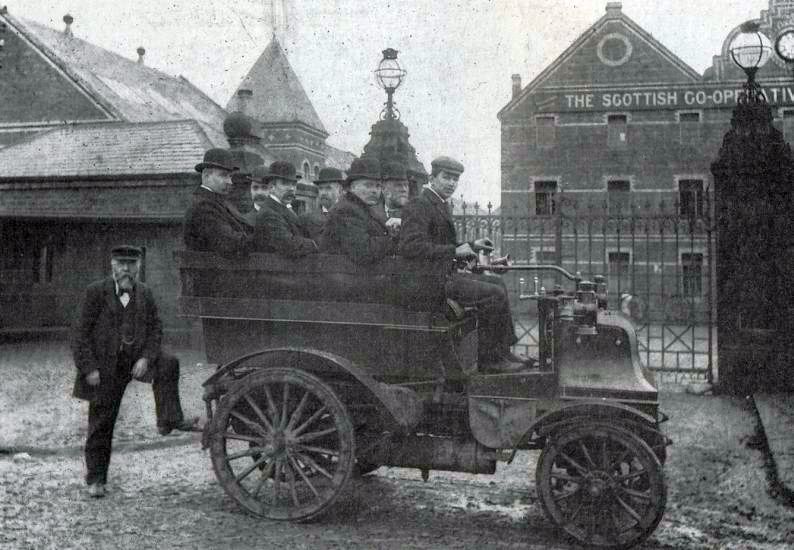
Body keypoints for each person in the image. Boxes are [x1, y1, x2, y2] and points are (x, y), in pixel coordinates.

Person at [72, 245, 199, 499]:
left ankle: (169, 418)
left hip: (136, 360)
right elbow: (79, 335)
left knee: (168, 362)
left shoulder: (146, 294)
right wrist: (89, 369)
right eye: (121, 263)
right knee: (101, 422)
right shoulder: (96, 293)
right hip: (106, 368)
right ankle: (96, 478)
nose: (126, 269)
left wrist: (146, 357)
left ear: (139, 267)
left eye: (131, 264)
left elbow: (156, 330)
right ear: (112, 265)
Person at [398, 156, 527, 373]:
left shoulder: (439, 203)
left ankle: (502, 351)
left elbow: (442, 244)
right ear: (432, 177)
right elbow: (411, 247)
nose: (451, 183)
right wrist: (455, 251)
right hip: (429, 281)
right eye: (446, 177)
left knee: (498, 284)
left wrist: (472, 245)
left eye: (455, 179)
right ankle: (489, 360)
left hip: (442, 275)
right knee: (492, 294)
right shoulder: (419, 205)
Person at [321, 158, 398, 264]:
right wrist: (394, 239)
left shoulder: (361, 208)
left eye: (378, 186)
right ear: (352, 187)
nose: (375, 191)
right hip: (345, 277)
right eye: (368, 185)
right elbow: (363, 251)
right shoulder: (346, 210)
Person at [183, 148, 253, 257]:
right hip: (210, 271)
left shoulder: (219, 202)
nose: (229, 182)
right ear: (206, 175)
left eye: (230, 176)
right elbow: (230, 243)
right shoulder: (203, 206)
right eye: (223, 175)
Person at [252, 160, 319, 257]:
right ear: (271, 187)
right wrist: (315, 244)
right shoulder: (269, 213)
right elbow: (288, 245)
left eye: (293, 184)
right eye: (285, 183)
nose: (291, 188)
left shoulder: (285, 209)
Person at [299, 167, 345, 239]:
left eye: (328, 188)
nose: (323, 193)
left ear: (340, 190)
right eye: (320, 188)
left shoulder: (349, 216)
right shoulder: (306, 219)